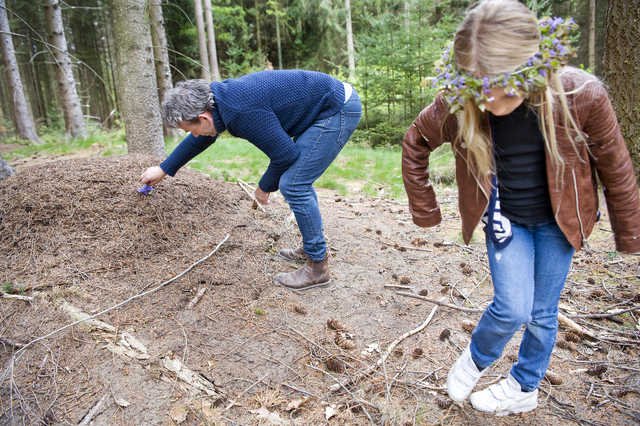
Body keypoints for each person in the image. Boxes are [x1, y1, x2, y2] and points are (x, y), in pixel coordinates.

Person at [402, 0, 640, 416]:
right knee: (512, 307)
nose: (490, 98)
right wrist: (426, 208)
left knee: (542, 313)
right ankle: (477, 357)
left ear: (531, 67)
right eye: (480, 86)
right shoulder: (461, 102)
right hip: (506, 220)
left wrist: (630, 232)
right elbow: (415, 141)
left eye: (502, 85)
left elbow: (615, 165)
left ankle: (523, 386)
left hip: (558, 225)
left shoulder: (580, 95)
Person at [140, 70, 361, 290]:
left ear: (203, 117)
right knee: (297, 180)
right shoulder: (220, 101)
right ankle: (313, 246)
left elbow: (285, 154)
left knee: (294, 184)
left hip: (336, 109)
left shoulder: (240, 111)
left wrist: (264, 187)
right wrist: (163, 169)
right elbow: (201, 139)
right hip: (322, 106)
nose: (195, 135)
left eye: (193, 130)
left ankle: (318, 267)